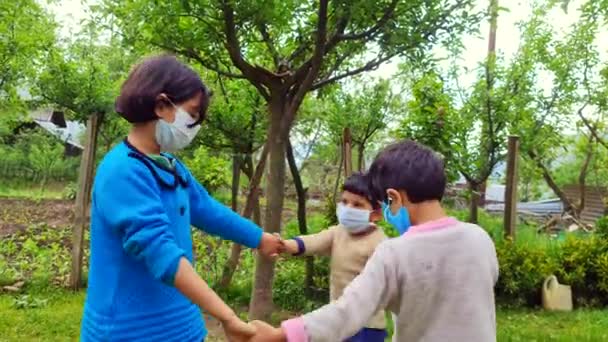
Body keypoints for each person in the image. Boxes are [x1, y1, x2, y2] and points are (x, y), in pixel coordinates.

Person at [80, 55, 282, 342]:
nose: (195, 126)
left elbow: (207, 209)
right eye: (192, 114)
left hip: (182, 327)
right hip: (129, 331)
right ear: (161, 105)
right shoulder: (121, 171)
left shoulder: (169, 166)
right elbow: (161, 253)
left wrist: (259, 238)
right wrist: (227, 317)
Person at [249, 140, 499, 342]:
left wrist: (280, 335)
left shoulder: (394, 253)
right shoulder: (480, 239)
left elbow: (348, 310)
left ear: (393, 198)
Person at [281, 172, 387, 342]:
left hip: (367, 326)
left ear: (376, 214)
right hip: (338, 320)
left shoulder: (380, 243)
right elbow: (314, 241)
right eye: (345, 202)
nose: (348, 208)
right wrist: (285, 245)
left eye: (358, 204)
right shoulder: (338, 232)